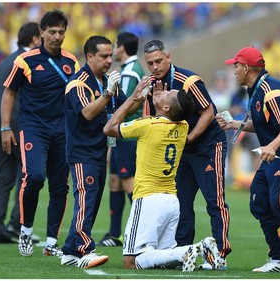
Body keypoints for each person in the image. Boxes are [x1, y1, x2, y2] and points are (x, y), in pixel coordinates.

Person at [103, 80, 223, 271]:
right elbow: (166, 117)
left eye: (168, 93)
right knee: (163, 261)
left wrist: (133, 99)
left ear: (167, 107)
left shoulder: (148, 125)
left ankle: (191, 249)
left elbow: (109, 128)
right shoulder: (182, 125)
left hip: (149, 199)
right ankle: (189, 252)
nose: (164, 90)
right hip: (171, 202)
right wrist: (159, 100)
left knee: (131, 262)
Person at [217, 46, 280, 274]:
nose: (234, 71)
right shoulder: (256, 89)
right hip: (276, 153)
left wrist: (272, 145)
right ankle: (278, 259)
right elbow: (262, 123)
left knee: (279, 199)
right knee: (259, 202)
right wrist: (235, 124)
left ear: (247, 67)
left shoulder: (271, 90)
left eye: (236, 66)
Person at [142, 39, 231, 270]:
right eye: (150, 62)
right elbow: (148, 121)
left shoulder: (188, 81)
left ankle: (220, 254)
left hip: (208, 145)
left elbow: (208, 112)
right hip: (181, 150)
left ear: (169, 57)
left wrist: (189, 138)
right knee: (180, 203)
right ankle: (182, 251)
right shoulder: (150, 87)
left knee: (215, 200)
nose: (155, 67)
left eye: (159, 61)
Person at [1, 10, 80, 257]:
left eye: (61, 32)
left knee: (60, 187)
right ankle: (25, 230)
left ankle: (51, 242)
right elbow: (9, 93)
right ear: (41, 33)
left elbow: (78, 96)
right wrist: (5, 127)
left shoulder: (71, 61)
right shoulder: (25, 61)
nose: (57, 36)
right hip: (33, 128)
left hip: (63, 131)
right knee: (33, 177)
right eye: (52, 32)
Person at [60, 35, 139, 269]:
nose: (109, 61)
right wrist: (106, 93)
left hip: (98, 151)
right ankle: (84, 249)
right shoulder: (79, 83)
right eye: (104, 56)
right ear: (90, 56)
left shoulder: (105, 79)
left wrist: (139, 95)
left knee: (90, 202)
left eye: (110, 56)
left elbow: (125, 107)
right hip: (82, 152)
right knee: (86, 198)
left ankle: (70, 251)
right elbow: (87, 113)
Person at [0, 22, 41, 244]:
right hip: (18, 128)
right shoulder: (27, 61)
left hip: (0, 127)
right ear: (36, 39)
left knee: (4, 181)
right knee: (31, 176)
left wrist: (2, 126)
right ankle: (17, 225)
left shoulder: (4, 61)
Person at [98, 31, 145, 247]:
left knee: (128, 182)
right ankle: (114, 234)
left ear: (122, 48)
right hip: (119, 136)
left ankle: (141, 231)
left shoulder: (129, 73)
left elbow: (123, 106)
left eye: (115, 46)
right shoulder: (128, 70)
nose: (112, 52)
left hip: (127, 134)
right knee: (115, 181)